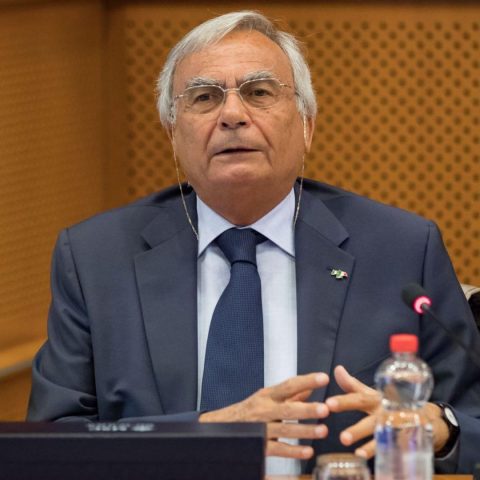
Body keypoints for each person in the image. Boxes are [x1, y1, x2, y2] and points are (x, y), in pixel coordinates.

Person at [28, 10, 480, 475]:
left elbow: (473, 423)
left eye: (259, 92)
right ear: (172, 134)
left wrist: (440, 429)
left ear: (306, 125)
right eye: (204, 97)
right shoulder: (96, 258)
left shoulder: (400, 249)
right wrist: (204, 434)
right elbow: (49, 447)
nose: (232, 115)